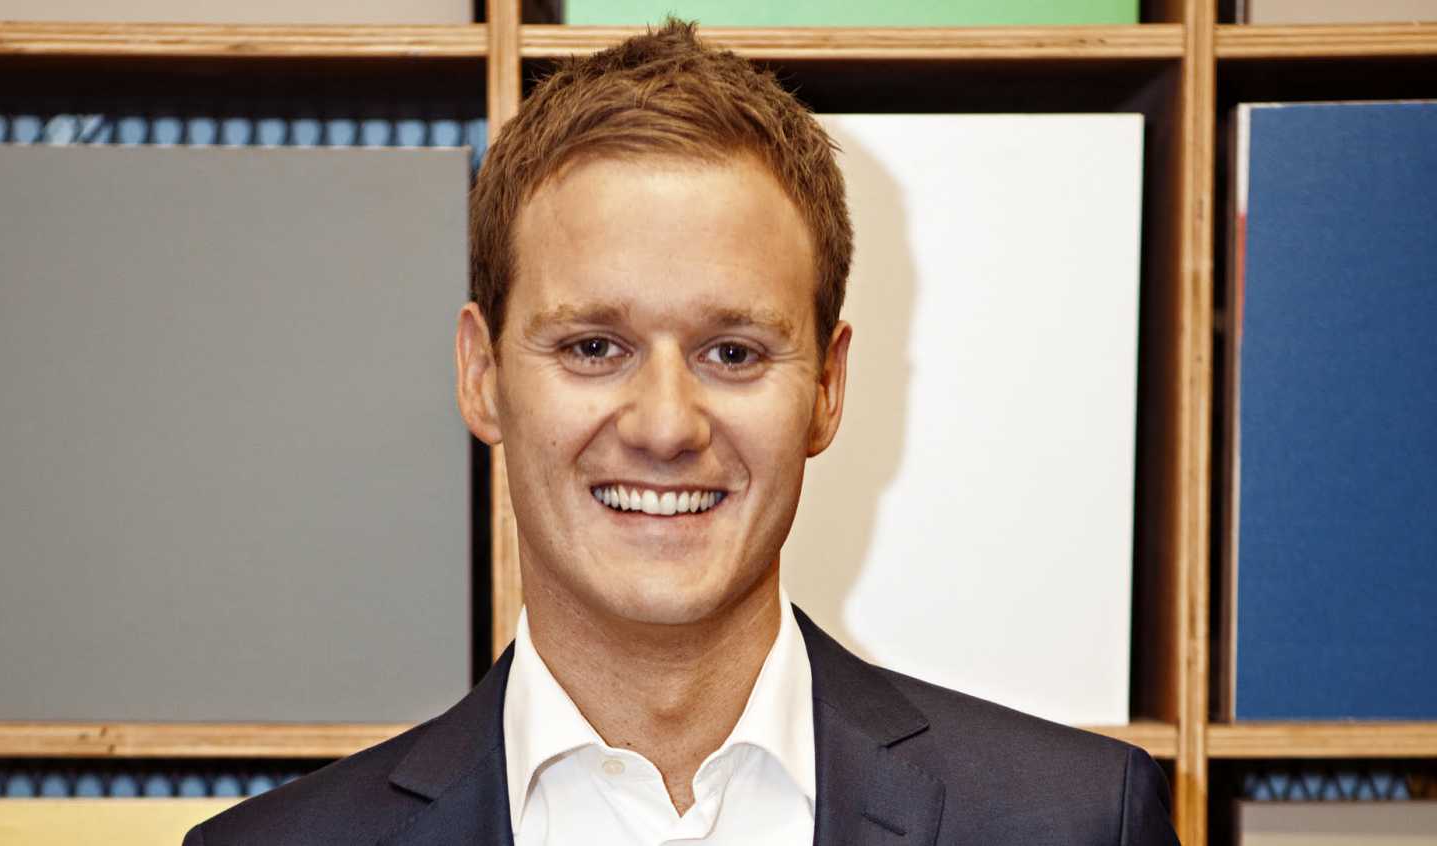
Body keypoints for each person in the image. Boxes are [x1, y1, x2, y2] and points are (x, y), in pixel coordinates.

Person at [186, 19, 1179, 846]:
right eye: (593, 347)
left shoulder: (1078, 821)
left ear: (826, 388)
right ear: (482, 376)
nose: (665, 426)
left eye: (732, 352)